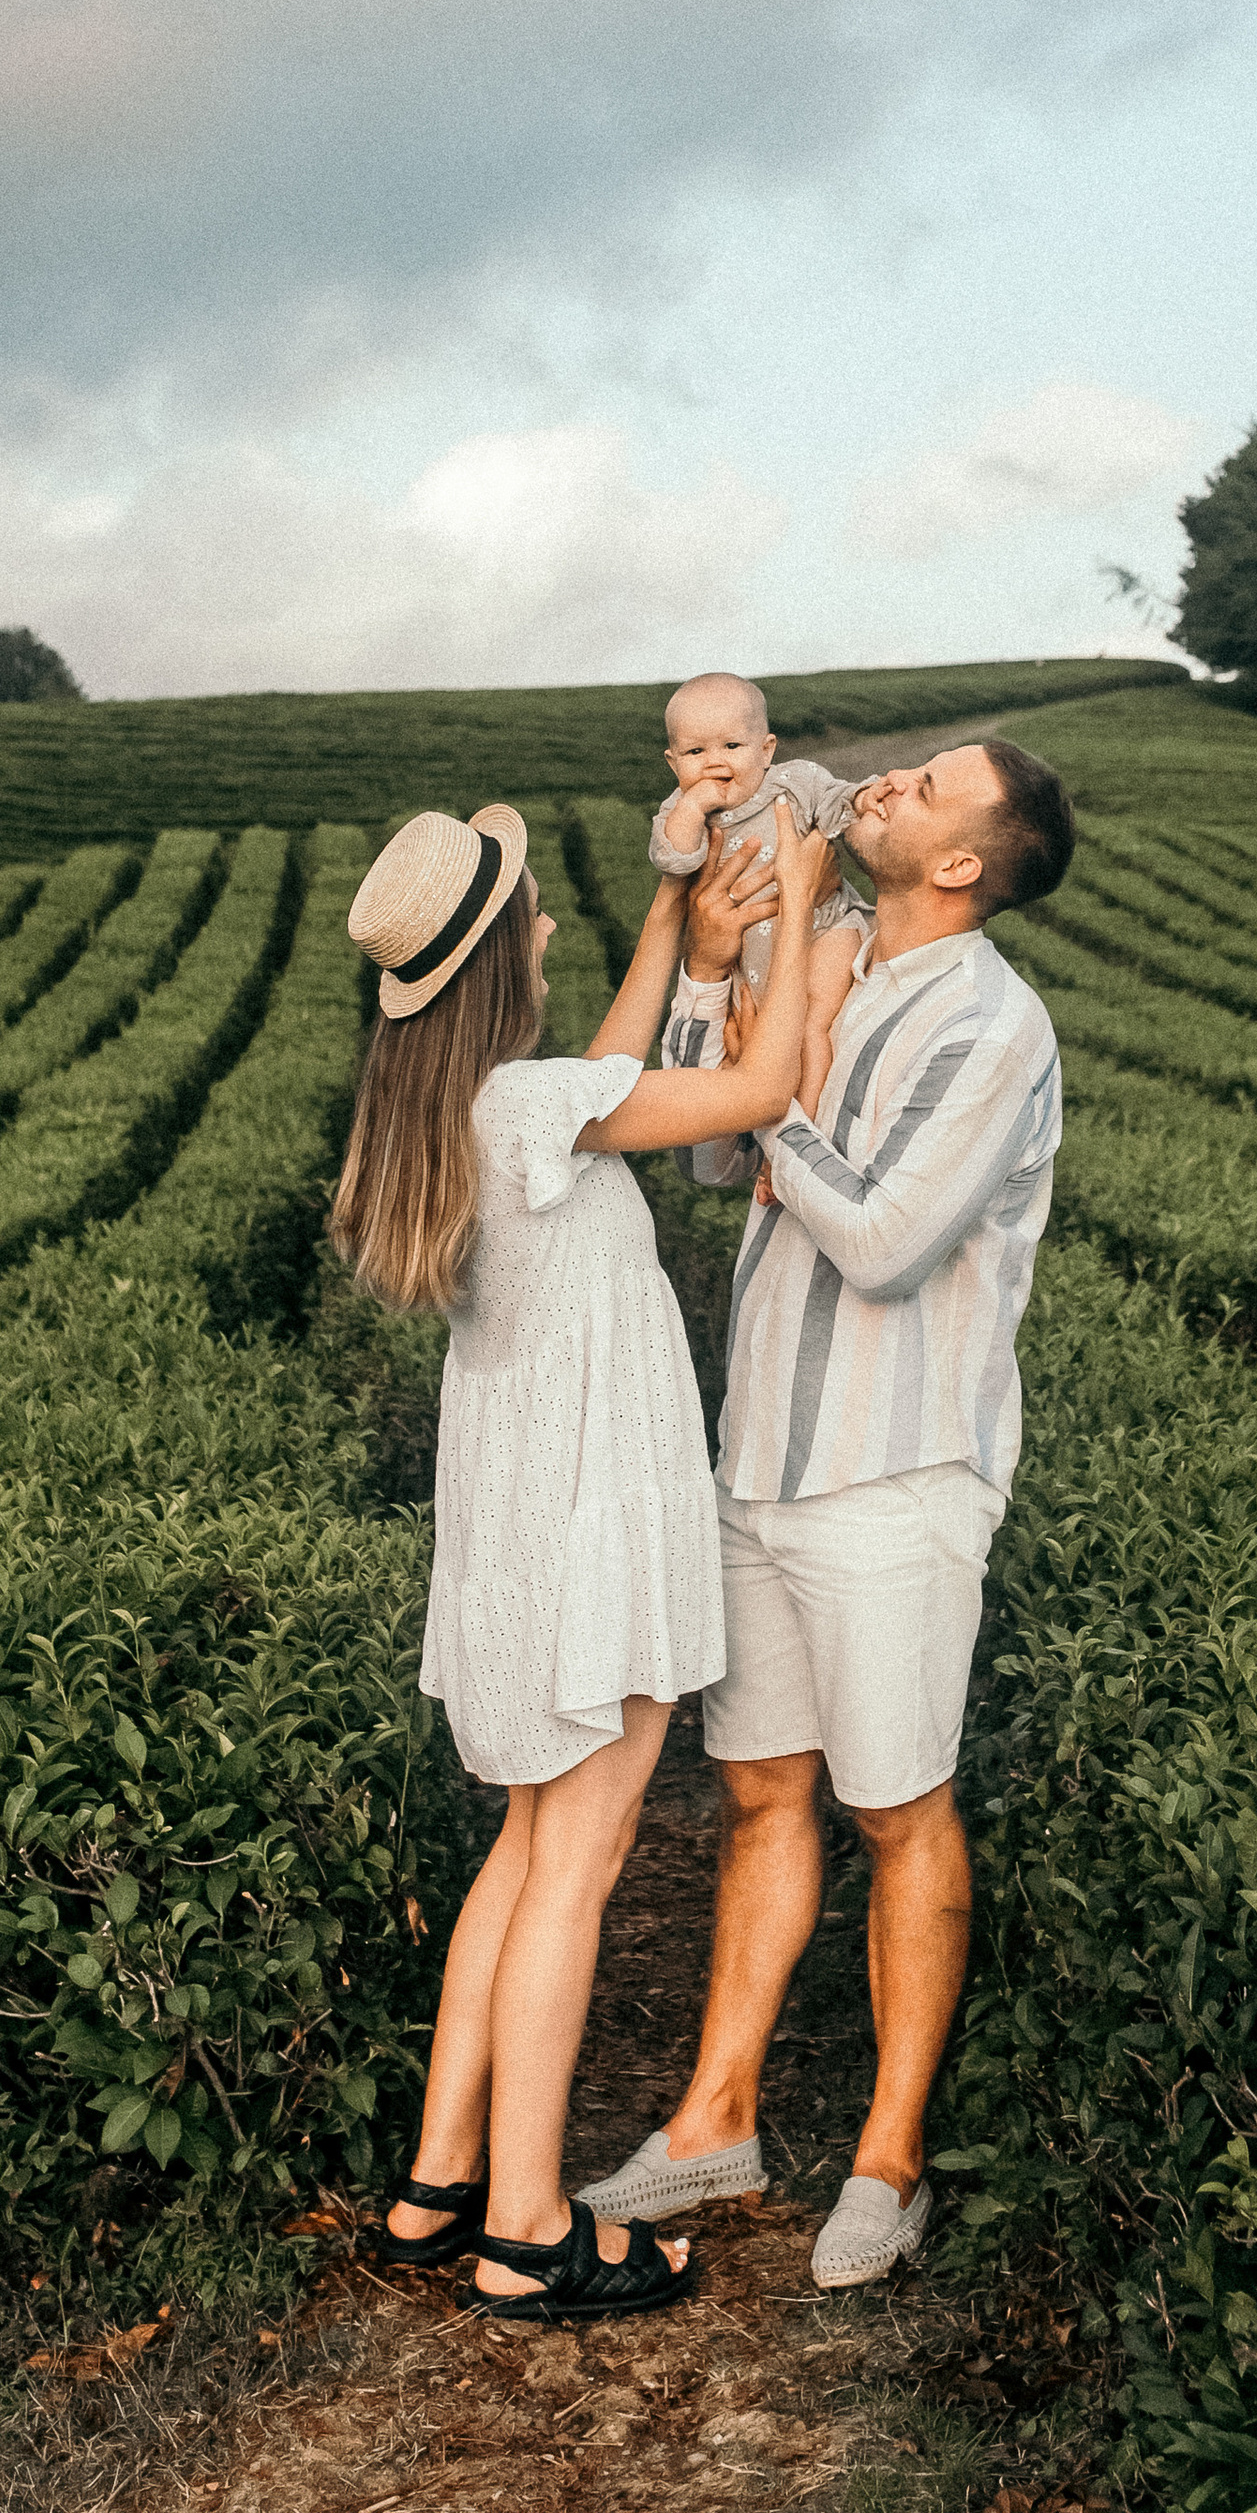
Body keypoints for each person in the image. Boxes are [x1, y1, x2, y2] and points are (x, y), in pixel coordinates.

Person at [577, 737, 1076, 2288]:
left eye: (928, 790)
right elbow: (722, 1147)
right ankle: (717, 2120)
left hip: (895, 1471)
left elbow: (880, 1239)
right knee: (758, 1792)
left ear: (960, 865)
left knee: (898, 1811)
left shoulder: (994, 1024)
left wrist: (779, 1064)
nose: (887, 786)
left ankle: (889, 2158)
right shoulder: (840, 947)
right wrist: (744, 975)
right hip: (765, 1456)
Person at [331, 792, 833, 2323]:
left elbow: (600, 1071)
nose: (550, 922)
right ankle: (528, 2227)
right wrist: (798, 899)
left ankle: (436, 2186)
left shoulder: (462, 1100)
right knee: (581, 1863)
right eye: (536, 912)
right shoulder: (530, 1106)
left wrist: (683, 920)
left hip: (514, 1527)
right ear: (498, 963)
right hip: (587, 1529)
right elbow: (755, 1081)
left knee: (523, 1849)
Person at [647, 668, 870, 1003]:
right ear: (673, 763)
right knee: (752, 1022)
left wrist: (862, 797)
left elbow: (834, 801)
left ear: (766, 751)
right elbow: (673, 859)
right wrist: (693, 807)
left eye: (731, 746)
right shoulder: (680, 808)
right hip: (744, 958)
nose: (714, 761)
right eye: (695, 752)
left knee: (823, 1016)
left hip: (821, 930)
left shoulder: (795, 781)